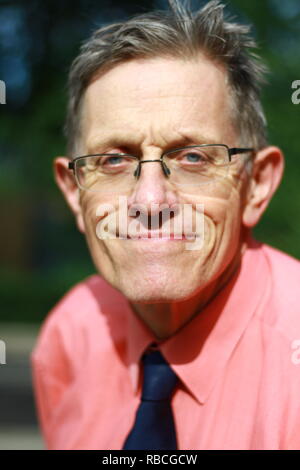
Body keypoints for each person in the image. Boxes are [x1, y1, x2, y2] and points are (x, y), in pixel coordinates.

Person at [30, 0, 300, 450]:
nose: (150, 200)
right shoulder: (70, 334)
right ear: (75, 192)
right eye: (113, 160)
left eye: (192, 156)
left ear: (257, 186)